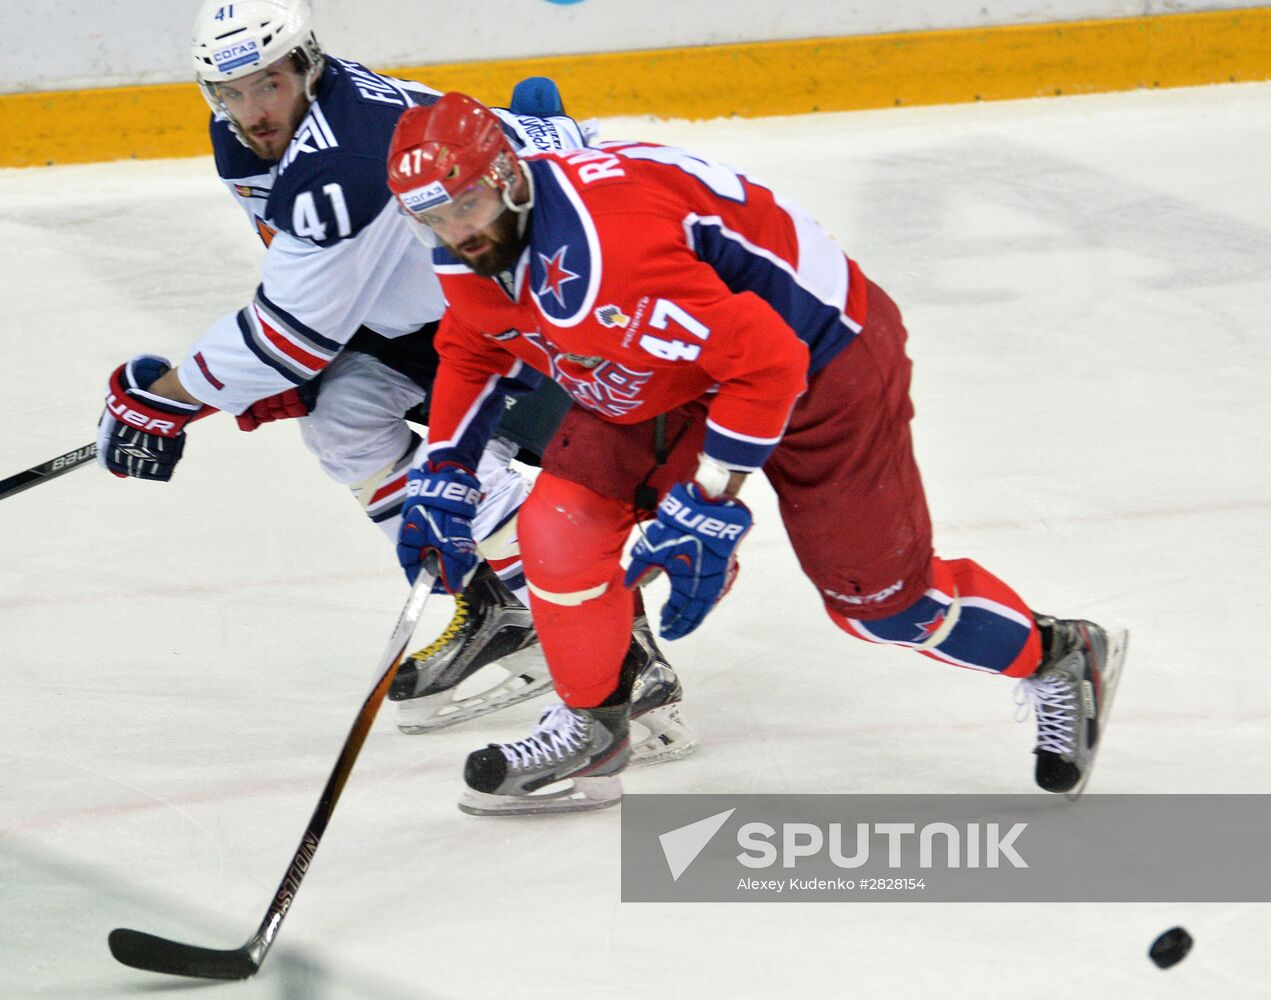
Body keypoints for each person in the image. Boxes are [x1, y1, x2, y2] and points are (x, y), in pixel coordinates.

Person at [383, 92, 1130, 816]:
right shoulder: (477, 244)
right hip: (681, 356)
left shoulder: (608, 259)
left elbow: (770, 361)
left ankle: (1057, 654)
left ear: (508, 178)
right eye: (435, 219)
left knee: (882, 607)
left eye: (466, 208)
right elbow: (475, 346)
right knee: (560, 526)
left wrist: (709, 497)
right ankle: (594, 730)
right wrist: (446, 467)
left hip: (823, 359)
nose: (457, 233)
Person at [94, 1, 698, 763]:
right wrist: (294, 360)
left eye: (268, 84)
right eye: (230, 91)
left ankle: (626, 672)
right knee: (343, 415)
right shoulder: (251, 137)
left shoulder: (343, 162)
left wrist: (163, 398)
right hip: (449, 300)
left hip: (568, 292)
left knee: (498, 468)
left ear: (308, 63)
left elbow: (284, 334)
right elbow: (316, 292)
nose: (250, 111)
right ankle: (501, 607)